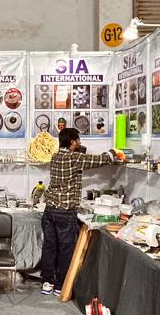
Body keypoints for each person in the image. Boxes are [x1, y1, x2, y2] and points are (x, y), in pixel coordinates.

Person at [40, 127, 122, 296]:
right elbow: (99, 160)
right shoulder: (74, 158)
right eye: (78, 140)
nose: (80, 143)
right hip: (65, 212)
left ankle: (47, 282)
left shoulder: (55, 157)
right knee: (66, 249)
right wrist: (113, 152)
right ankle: (61, 285)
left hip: (50, 210)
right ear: (72, 142)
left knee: (49, 247)